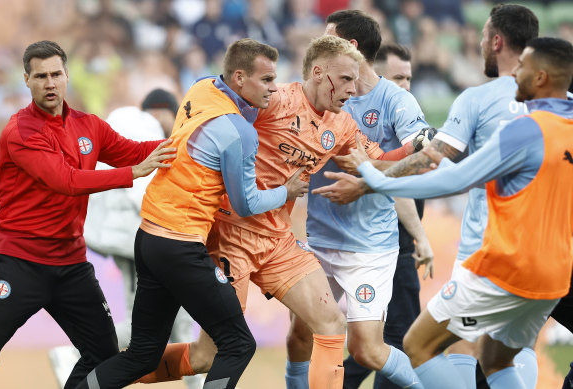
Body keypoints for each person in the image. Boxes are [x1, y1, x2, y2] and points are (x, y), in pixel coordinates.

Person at [139, 34, 430, 389]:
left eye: (356, 80)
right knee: (207, 356)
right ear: (319, 73)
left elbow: (376, 161)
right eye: (346, 79)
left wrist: (414, 148)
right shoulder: (274, 101)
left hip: (278, 241)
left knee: (330, 324)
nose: (353, 90)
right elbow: (221, 97)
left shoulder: (342, 126)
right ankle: (119, 372)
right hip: (232, 238)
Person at [313, 35, 573, 389]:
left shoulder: (527, 129)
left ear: (542, 78)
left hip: (507, 268)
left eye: (523, 69)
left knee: (417, 345)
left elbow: (454, 179)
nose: (515, 74)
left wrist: (372, 178)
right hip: (555, 277)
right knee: (498, 358)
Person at [75, 38, 309, 389]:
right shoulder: (239, 133)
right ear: (240, 78)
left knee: (142, 354)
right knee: (239, 344)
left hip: (149, 237)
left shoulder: (200, 89)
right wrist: (285, 192)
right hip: (181, 246)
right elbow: (245, 205)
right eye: (266, 80)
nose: (273, 89)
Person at [0, 40, 176, 389]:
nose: (50, 83)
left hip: (71, 265)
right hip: (19, 260)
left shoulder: (88, 125)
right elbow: (66, 181)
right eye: (40, 76)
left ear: (67, 76)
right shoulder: (22, 131)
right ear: (26, 79)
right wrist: (133, 173)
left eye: (56, 74)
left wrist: (183, 143)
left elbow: (132, 151)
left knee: (104, 356)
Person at [284, 11, 433, 389]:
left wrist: (365, 180)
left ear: (349, 47)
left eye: (327, 36)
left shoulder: (396, 102)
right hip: (318, 241)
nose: (318, 42)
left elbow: (422, 159)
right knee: (301, 336)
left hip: (369, 247)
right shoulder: (318, 90)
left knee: (367, 350)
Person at [47, 89, 203, 389]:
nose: (163, 121)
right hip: (144, 238)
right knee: (149, 323)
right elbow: (141, 192)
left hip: (130, 238)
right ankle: (72, 355)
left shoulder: (125, 126)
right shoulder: (147, 133)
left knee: (174, 318)